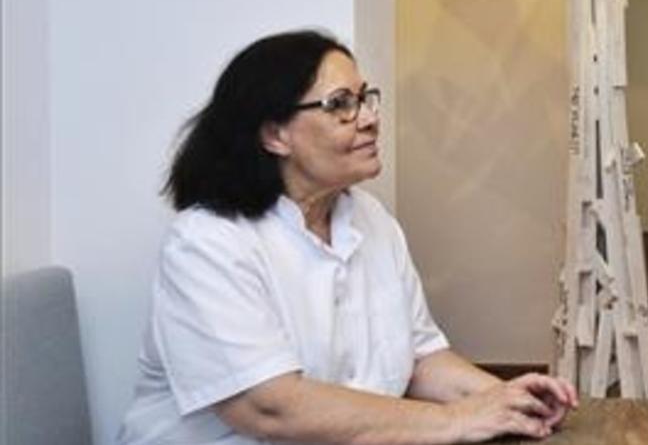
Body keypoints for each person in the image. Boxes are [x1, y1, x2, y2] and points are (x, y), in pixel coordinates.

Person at [118, 30, 577, 444]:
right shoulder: (206, 243)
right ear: (275, 134)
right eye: (339, 105)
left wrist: (507, 400)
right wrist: (456, 421)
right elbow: (270, 407)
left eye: (365, 98)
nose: (369, 119)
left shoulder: (371, 219)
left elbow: (421, 358)